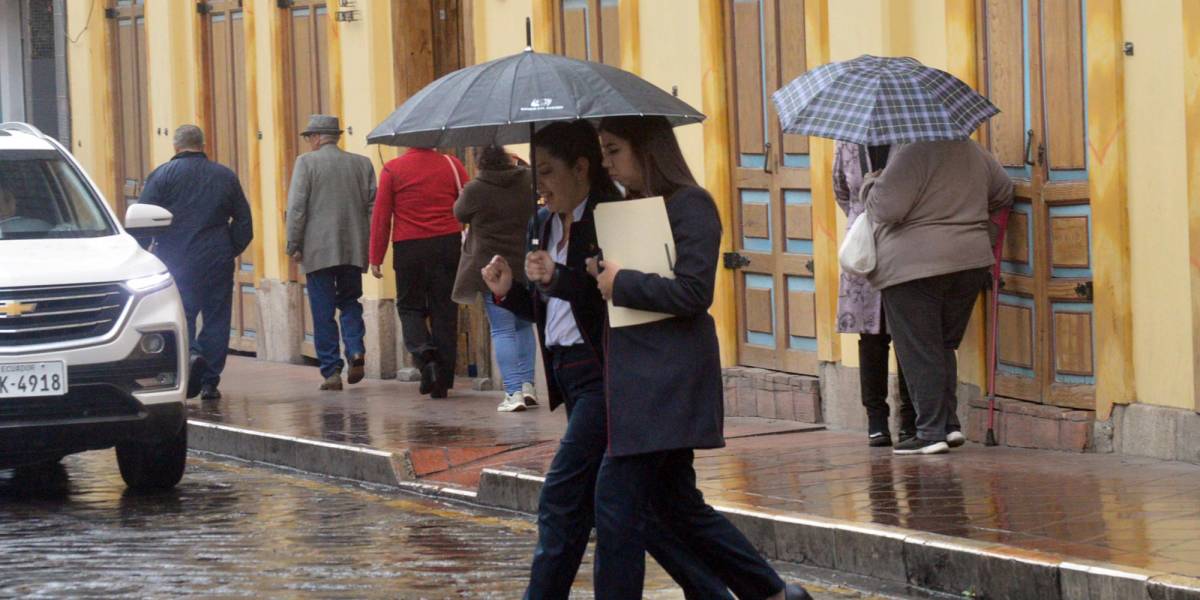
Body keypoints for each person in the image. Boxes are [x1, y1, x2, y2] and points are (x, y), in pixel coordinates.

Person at [481, 120, 731, 600]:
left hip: (609, 373)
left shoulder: (614, 215)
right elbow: (548, 309)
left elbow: (614, 299)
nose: (542, 185)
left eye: (549, 172)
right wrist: (511, 292)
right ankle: (731, 591)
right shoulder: (540, 223)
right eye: (536, 173)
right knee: (654, 506)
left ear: (581, 168)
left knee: (566, 497)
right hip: (568, 374)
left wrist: (563, 278)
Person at [587, 115, 810, 600]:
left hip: (669, 380)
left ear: (647, 150)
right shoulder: (631, 211)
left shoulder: (692, 205)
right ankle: (771, 592)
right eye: (602, 152)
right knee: (675, 505)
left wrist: (622, 282)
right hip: (639, 379)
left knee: (616, 500)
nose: (607, 164)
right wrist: (592, 277)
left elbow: (693, 292)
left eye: (614, 150)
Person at [861, 140, 1013, 455]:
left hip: (914, 266)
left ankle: (930, 431)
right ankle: (949, 425)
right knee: (943, 345)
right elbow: (1003, 191)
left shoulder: (910, 152)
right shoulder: (972, 149)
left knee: (920, 349)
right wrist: (986, 235)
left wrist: (871, 183)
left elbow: (886, 209)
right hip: (969, 261)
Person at [138, 125, 252, 401]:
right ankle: (211, 381)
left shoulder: (162, 176)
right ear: (203, 145)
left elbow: (141, 218)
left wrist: (142, 254)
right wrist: (229, 248)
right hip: (217, 258)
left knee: (182, 313)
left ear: (176, 147)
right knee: (217, 317)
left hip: (175, 259)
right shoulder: (225, 176)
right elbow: (244, 222)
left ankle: (190, 358)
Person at [832, 141, 916, 447]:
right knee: (871, 337)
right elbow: (841, 190)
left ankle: (910, 420)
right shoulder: (845, 142)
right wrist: (860, 219)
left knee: (906, 334)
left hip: (901, 240)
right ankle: (876, 421)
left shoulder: (908, 142)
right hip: (861, 247)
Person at [285, 115, 376, 391]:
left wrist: (293, 244)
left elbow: (297, 208)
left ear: (316, 137)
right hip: (352, 248)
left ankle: (331, 371)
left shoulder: (306, 163)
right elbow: (374, 208)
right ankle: (356, 350)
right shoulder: (362, 164)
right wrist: (367, 243)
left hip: (318, 250)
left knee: (323, 310)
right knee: (350, 301)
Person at [369, 144, 466, 399]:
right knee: (445, 309)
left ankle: (426, 358)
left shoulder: (392, 169)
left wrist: (375, 256)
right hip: (448, 243)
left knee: (409, 307)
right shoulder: (452, 164)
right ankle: (442, 381)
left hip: (409, 246)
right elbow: (468, 202)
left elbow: (382, 216)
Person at [452, 145, 538, 412]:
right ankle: (528, 385)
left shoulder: (476, 188)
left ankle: (512, 393)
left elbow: (459, 213)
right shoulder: (527, 178)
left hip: (494, 268)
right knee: (524, 326)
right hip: (524, 264)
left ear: (480, 163)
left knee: (502, 329)